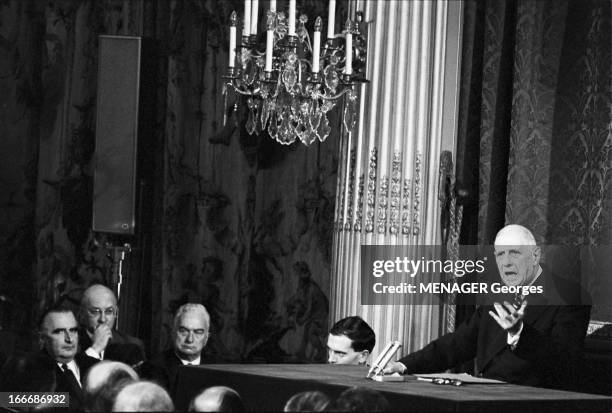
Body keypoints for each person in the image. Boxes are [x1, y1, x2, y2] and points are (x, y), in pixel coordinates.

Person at [384, 224, 591, 389]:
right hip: (486, 396)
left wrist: (520, 332)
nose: (506, 263)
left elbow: (564, 362)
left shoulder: (570, 296)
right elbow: (457, 343)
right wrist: (404, 366)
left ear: (535, 256)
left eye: (515, 253)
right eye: (500, 255)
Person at [141, 303, 210, 396]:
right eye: (183, 331)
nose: (190, 339)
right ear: (173, 333)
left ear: (206, 338)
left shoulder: (218, 367)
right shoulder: (154, 368)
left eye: (198, 332)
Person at [38, 307, 99, 410]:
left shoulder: (95, 365)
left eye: (73, 330)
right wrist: (64, 400)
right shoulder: (28, 369)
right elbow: (6, 399)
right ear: (43, 338)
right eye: (59, 332)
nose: (69, 339)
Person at [79, 284, 145, 367]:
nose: (103, 319)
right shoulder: (72, 344)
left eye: (109, 311)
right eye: (95, 311)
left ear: (116, 313)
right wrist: (95, 348)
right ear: (82, 313)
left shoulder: (132, 345)